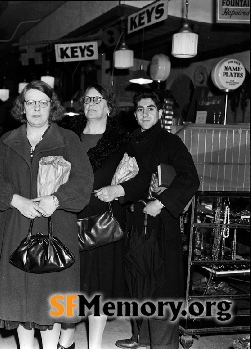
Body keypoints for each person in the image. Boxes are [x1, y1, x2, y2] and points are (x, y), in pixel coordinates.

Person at [0, 80, 93, 349]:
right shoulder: (7, 142)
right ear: (22, 107)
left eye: (42, 103)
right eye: (30, 102)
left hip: (56, 228)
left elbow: (83, 181)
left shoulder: (68, 140)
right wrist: (14, 199)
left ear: (51, 107)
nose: (36, 108)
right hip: (16, 226)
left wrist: (57, 198)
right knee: (19, 296)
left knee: (50, 298)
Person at [97, 89, 199, 349]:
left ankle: (163, 345)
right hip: (134, 224)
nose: (144, 113)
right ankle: (140, 337)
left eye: (150, 108)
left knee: (160, 287)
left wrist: (163, 202)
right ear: (135, 113)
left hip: (160, 225)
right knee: (137, 282)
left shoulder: (170, 142)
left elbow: (190, 178)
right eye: (140, 109)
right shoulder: (130, 140)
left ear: (160, 112)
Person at [58, 83, 131, 349]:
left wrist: (118, 189)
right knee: (70, 281)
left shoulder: (123, 139)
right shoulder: (67, 134)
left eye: (97, 99)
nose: (91, 103)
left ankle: (95, 344)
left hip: (103, 219)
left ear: (109, 107)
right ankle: (66, 340)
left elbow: (138, 175)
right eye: (87, 99)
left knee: (99, 284)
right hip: (69, 215)